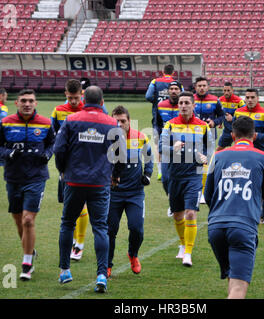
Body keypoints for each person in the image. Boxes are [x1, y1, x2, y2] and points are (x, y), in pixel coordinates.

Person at [54, 85, 123, 293]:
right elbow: (120, 153)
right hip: (100, 182)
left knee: (67, 223)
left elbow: (59, 149)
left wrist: (63, 170)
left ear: (84, 100)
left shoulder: (71, 120)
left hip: (74, 181)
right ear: (102, 102)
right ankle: (102, 274)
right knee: (100, 227)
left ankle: (65, 270)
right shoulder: (112, 123)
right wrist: (115, 175)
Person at [205, 116, 264, 299]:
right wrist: (261, 214)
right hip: (243, 226)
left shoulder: (218, 156)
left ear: (232, 135)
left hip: (215, 227)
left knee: (232, 277)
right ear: (254, 136)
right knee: (238, 289)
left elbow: (207, 194)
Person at [0, 89, 55, 281]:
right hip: (13, 178)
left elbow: (54, 143)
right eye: (23, 101)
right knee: (19, 221)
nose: (27, 104)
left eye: (31, 101)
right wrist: (7, 154)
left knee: (28, 220)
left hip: (36, 178)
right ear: (16, 103)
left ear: (36, 104)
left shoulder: (45, 123)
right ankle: (30, 249)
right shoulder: (6, 122)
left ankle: (27, 263)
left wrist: (48, 154)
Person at [160, 91, 214, 267]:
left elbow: (209, 148)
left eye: (186, 103)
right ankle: (182, 244)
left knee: (190, 213)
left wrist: (205, 156)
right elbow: (161, 148)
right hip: (175, 175)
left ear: (193, 105)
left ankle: (188, 253)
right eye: (181, 103)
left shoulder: (203, 126)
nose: (183, 105)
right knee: (177, 215)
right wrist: (172, 147)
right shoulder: (169, 125)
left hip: (194, 175)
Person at [107, 105, 153, 278]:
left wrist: (147, 174)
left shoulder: (140, 137)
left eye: (122, 121)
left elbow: (149, 157)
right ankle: (107, 264)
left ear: (129, 121)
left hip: (135, 192)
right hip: (113, 192)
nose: (119, 124)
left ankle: (133, 254)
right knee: (110, 230)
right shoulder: (107, 139)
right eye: (115, 121)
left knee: (137, 229)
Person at [51, 79, 90, 262]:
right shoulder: (58, 111)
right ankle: (75, 240)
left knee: (80, 203)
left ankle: (79, 245)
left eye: (77, 98)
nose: (74, 102)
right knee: (69, 204)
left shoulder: (89, 110)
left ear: (82, 94)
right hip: (66, 165)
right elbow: (53, 136)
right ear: (65, 94)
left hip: (86, 164)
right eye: (70, 98)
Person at [145, 64, 180, 180]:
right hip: (175, 116)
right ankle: (174, 169)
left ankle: (160, 171)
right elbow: (184, 96)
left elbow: (148, 96)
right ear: (173, 72)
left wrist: (157, 102)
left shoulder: (155, 81)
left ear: (163, 71)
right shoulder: (176, 82)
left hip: (158, 114)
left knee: (158, 143)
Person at [193, 77, 224, 204]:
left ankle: (203, 192)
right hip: (193, 135)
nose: (201, 88)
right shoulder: (190, 99)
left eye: (204, 85)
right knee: (193, 163)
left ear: (208, 87)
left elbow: (222, 116)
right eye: (199, 85)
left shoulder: (215, 100)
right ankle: (194, 189)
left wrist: (214, 122)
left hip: (209, 136)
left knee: (205, 163)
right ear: (195, 87)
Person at [157, 81, 181, 216]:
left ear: (180, 90)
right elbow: (157, 123)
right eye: (171, 88)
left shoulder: (185, 105)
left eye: (176, 88)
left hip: (182, 146)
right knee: (166, 178)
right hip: (166, 146)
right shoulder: (161, 106)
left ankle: (176, 203)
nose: (173, 91)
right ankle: (172, 201)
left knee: (179, 177)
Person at [233, 88, 264, 153]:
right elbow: (233, 131)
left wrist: (257, 136)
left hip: (260, 151)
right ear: (245, 99)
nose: (250, 100)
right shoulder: (237, 112)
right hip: (241, 151)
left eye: (252, 97)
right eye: (247, 97)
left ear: (257, 98)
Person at [216, 81, 246, 152]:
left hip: (239, 131)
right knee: (219, 149)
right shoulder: (220, 100)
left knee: (240, 150)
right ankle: (214, 162)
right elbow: (219, 112)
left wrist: (233, 119)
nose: (226, 92)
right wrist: (220, 122)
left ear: (232, 90)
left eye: (228, 90)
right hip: (227, 130)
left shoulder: (239, 101)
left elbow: (245, 115)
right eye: (225, 90)